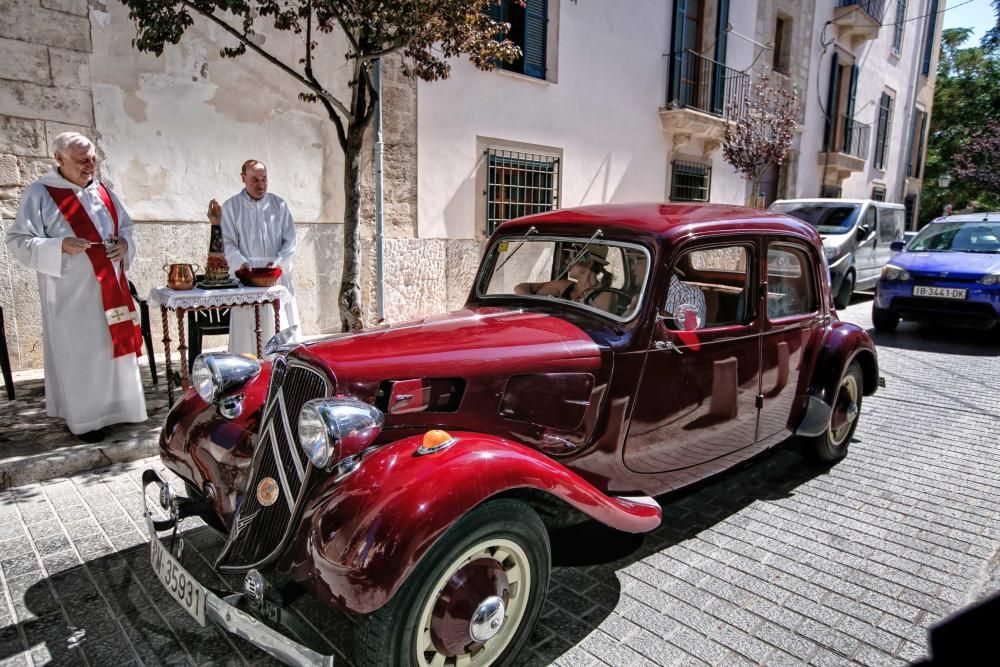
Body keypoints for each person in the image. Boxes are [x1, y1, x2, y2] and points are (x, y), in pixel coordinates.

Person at [5, 132, 147, 442]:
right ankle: (86, 420)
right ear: (59, 159)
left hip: (112, 290)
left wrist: (124, 245)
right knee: (82, 354)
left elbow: (126, 229)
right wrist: (58, 246)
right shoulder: (40, 194)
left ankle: (123, 409)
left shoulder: (105, 193)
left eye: (93, 158)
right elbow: (17, 240)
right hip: (71, 296)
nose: (90, 165)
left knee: (113, 350)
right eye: (82, 160)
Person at [209, 160, 299, 355]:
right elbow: (228, 242)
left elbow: (290, 240)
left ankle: (282, 371)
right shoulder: (232, 207)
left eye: (264, 180)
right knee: (248, 330)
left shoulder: (279, 205)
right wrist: (241, 263)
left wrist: (276, 263)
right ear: (243, 179)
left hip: (275, 276)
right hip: (246, 277)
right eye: (255, 180)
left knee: (279, 324)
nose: (261, 185)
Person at [514, 246, 614, 312]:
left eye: (574, 256)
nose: (567, 261)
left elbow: (597, 326)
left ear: (589, 262)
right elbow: (521, 287)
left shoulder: (605, 295)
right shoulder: (564, 285)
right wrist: (530, 305)